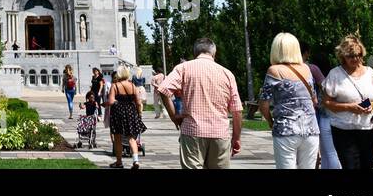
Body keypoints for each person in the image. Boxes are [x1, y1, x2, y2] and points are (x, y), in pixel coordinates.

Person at [156, 37, 242, 169]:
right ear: (214, 53)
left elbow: (163, 89)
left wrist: (174, 116)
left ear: (195, 53)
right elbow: (237, 111)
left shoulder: (183, 68)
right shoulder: (227, 73)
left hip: (192, 131)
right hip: (219, 133)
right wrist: (236, 138)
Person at [321, 33, 373, 170]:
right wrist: (349, 107)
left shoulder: (370, 73)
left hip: (368, 128)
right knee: (350, 166)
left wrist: (371, 105)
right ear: (342, 56)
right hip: (343, 130)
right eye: (350, 56)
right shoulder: (335, 74)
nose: (355, 58)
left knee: (366, 166)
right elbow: (327, 103)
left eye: (358, 55)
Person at [257, 32, 320, 169]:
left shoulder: (274, 70)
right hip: (311, 130)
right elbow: (314, 99)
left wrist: (270, 121)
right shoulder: (306, 69)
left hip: (286, 129)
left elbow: (264, 104)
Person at [301, 42, 339, 169]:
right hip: (319, 112)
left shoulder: (282, 68)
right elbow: (326, 88)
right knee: (328, 151)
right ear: (306, 53)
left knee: (313, 151)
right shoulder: (312, 69)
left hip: (295, 117)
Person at [106, 64, 147, 169]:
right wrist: (139, 113)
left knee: (118, 138)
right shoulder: (133, 86)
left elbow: (111, 101)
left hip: (118, 113)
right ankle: (136, 161)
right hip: (131, 112)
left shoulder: (115, 85)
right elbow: (138, 102)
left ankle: (119, 162)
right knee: (132, 138)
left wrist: (118, 102)